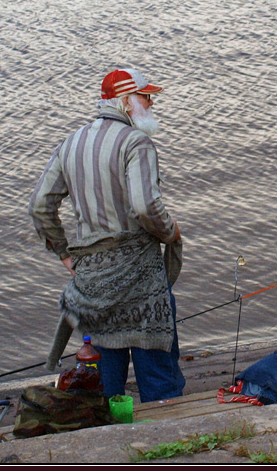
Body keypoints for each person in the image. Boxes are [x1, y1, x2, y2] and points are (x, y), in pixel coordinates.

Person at [29, 68, 186, 403]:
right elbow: (145, 207)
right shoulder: (137, 142)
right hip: (144, 287)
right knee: (161, 385)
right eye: (146, 97)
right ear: (127, 102)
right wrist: (171, 231)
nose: (151, 102)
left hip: (94, 287)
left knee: (104, 390)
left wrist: (64, 254)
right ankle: (167, 448)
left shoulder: (70, 143)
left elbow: (40, 206)